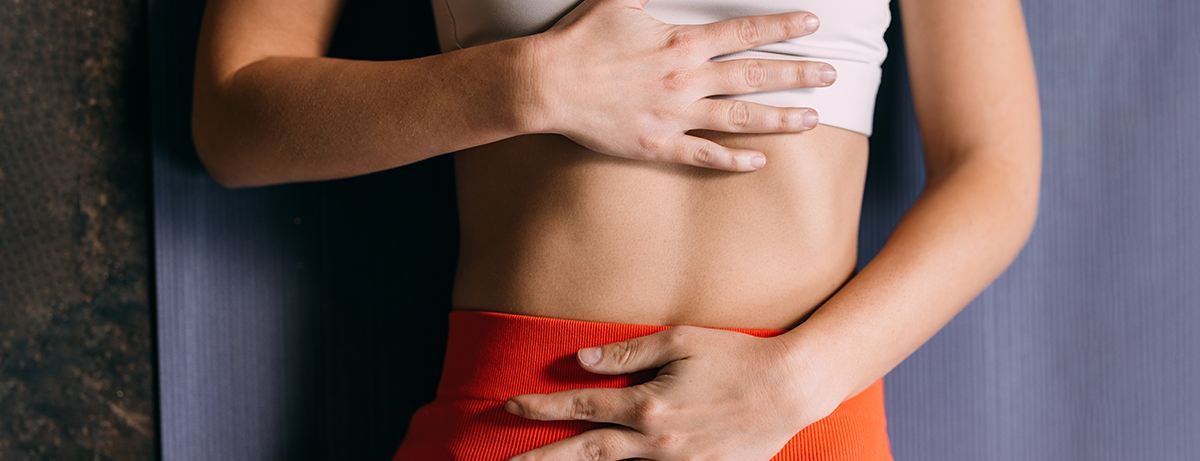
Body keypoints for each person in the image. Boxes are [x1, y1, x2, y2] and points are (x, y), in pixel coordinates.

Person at [192, 0, 1041, 459]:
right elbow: (232, 119)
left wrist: (792, 383)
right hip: (524, 416)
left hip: (799, 420)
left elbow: (994, 169)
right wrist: (529, 82)